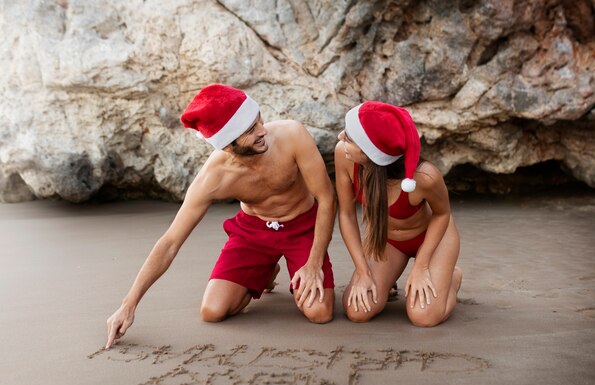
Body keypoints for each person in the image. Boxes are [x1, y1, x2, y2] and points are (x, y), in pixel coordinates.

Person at [106, 84, 336, 349]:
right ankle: (264, 270)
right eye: (250, 131)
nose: (263, 131)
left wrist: (314, 263)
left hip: (302, 226)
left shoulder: (292, 135)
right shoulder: (213, 178)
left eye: (258, 119)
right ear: (228, 144)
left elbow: (326, 198)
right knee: (212, 311)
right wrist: (128, 304)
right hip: (254, 233)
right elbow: (170, 242)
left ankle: (280, 267)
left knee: (320, 313)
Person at [334, 101, 462, 326]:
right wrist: (363, 271)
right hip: (389, 241)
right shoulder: (344, 156)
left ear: (370, 154)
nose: (340, 136)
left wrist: (421, 266)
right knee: (357, 311)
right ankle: (388, 277)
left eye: (349, 138)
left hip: (432, 238)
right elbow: (346, 214)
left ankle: (452, 277)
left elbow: (442, 215)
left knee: (423, 317)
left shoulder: (425, 177)